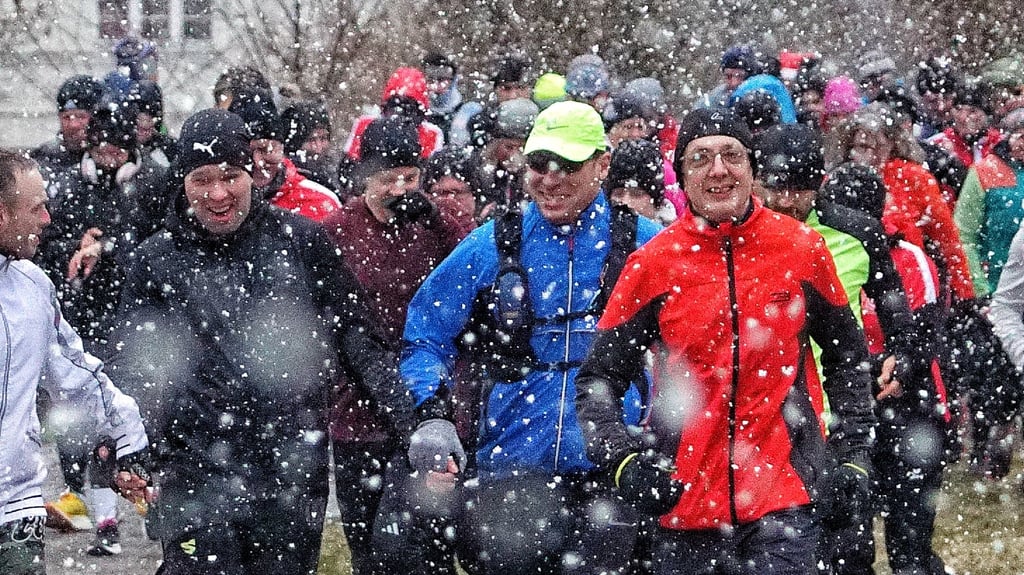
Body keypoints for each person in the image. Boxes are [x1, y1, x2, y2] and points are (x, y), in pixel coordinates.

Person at [107, 109, 416, 575]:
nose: (218, 194)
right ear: (182, 183)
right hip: (193, 473)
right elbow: (132, 366)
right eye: (202, 179)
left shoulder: (302, 242)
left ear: (252, 172)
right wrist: (125, 447)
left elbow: (358, 339)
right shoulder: (156, 259)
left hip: (289, 470)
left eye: (230, 176)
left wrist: (413, 423)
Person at [574, 108, 876, 575]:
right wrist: (622, 462)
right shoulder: (652, 263)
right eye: (701, 158)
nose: (719, 170)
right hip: (683, 499)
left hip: (784, 494)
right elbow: (598, 378)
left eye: (732, 155)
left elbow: (847, 357)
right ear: (683, 177)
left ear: (752, 169)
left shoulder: (800, 248)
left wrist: (853, 455)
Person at [374, 101, 661, 575]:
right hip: (510, 472)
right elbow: (425, 334)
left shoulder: (645, 244)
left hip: (611, 470)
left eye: (567, 165)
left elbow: (696, 346)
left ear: (603, 164)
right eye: (538, 164)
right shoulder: (492, 243)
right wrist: (431, 415)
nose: (549, 179)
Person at [320, 120, 475, 575]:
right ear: (363, 176)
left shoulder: (437, 226)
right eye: (387, 178)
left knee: (430, 548)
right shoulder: (336, 232)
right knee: (368, 546)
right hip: (358, 412)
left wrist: (438, 221)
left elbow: (472, 283)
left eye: (409, 177)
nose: (399, 189)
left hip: (431, 407)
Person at [0, 148, 149, 575]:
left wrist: (130, 444)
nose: (47, 219)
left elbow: (78, 375)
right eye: (37, 207)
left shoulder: (31, 287)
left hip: (15, 509)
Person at [36, 97, 167, 554]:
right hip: (80, 317)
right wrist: (74, 246)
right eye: (102, 148)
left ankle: (127, 510)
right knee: (74, 417)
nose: (110, 155)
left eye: (118, 148)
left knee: (121, 417)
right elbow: (46, 243)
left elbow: (157, 244)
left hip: (130, 323)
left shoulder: (151, 184)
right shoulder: (71, 186)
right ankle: (88, 507)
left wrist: (109, 246)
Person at [821, 164, 951, 575]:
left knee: (909, 539)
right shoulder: (821, 251)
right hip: (851, 406)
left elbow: (925, 331)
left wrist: (897, 366)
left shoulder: (910, 257)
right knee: (848, 543)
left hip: (910, 409)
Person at [229, 88, 341, 222]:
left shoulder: (319, 202)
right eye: (246, 152)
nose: (257, 162)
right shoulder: (217, 203)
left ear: (282, 148)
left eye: (266, 150)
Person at [31, 75, 103, 174]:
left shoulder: (114, 157)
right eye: (66, 117)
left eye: (80, 117)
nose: (73, 125)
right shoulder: (44, 157)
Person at [605, 138, 676, 225]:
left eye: (637, 194)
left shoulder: (673, 236)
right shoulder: (596, 231)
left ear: (656, 202)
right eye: (618, 194)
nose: (626, 202)